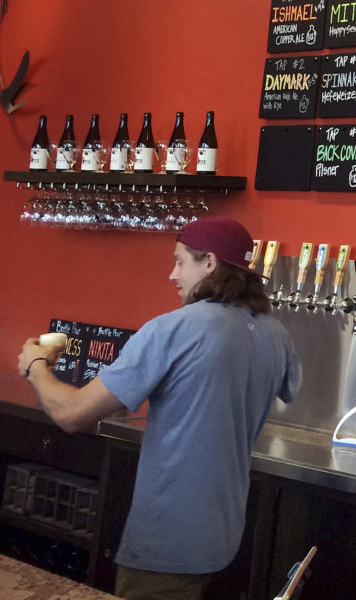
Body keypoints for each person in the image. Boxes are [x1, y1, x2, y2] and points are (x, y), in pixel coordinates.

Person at [18, 216, 301, 599]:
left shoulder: (173, 329)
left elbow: (71, 414)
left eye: (180, 261)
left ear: (210, 263)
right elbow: (287, 390)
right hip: (225, 537)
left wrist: (36, 366)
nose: (173, 274)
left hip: (166, 541)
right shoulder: (277, 334)